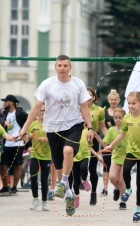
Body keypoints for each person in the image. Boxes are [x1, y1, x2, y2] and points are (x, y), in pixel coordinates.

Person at [18, 54, 93, 216]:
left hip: (74, 125)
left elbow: (85, 108)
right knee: (58, 168)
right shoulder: (47, 84)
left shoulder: (78, 83)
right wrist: (24, 128)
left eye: (65, 66)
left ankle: (64, 182)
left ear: (70, 67)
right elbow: (36, 108)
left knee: (68, 151)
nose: (62, 69)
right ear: (55, 67)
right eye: (59, 66)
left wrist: (91, 128)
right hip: (53, 129)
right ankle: (68, 194)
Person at [104, 91, 140, 222]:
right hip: (130, 151)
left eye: (134, 103)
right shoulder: (126, 118)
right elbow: (122, 134)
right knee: (126, 170)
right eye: (129, 103)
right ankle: (128, 189)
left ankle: (137, 209)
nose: (131, 106)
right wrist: (111, 145)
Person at [95, 108, 128, 208]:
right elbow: (105, 144)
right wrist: (97, 137)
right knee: (112, 177)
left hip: (127, 158)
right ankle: (118, 189)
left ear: (124, 118)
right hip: (116, 157)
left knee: (121, 180)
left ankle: (123, 201)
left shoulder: (128, 129)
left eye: (120, 118)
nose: (117, 120)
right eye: (115, 118)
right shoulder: (111, 131)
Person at [69, 123, 103, 208]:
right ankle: (76, 196)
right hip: (75, 157)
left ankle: (84, 180)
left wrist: (97, 155)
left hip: (85, 155)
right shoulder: (73, 132)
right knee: (76, 180)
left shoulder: (88, 132)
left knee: (84, 168)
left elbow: (90, 147)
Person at [0, 94, 28, 195]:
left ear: (11, 102)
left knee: (17, 165)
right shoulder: (4, 114)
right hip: (7, 143)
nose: (4, 103)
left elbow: (29, 123)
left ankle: (14, 187)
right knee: (2, 165)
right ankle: (5, 187)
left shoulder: (21, 113)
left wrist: (26, 134)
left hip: (18, 143)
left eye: (6, 101)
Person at [27, 104, 51, 211]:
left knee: (44, 179)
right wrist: (29, 137)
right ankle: (35, 198)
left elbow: (56, 140)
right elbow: (26, 137)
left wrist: (46, 139)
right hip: (35, 154)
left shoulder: (51, 124)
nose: (42, 112)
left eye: (44, 110)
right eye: (40, 110)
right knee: (33, 176)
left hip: (46, 155)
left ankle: (45, 201)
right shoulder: (33, 124)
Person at [87, 87, 107, 205]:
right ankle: (81, 183)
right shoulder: (77, 108)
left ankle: (93, 192)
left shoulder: (99, 110)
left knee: (92, 169)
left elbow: (103, 127)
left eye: (90, 95)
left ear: (94, 97)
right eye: (86, 95)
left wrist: (109, 138)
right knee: (80, 168)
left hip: (93, 141)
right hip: (79, 141)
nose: (88, 97)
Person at [100, 89, 120, 197]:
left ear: (118, 100)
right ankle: (105, 188)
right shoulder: (104, 112)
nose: (113, 101)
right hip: (107, 142)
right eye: (111, 99)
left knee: (117, 165)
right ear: (108, 100)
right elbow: (101, 126)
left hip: (119, 142)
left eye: (115, 99)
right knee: (106, 166)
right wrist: (109, 136)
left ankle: (117, 186)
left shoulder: (121, 112)